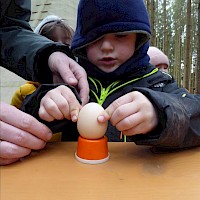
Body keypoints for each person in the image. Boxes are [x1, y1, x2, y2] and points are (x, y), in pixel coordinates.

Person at [11, 0, 200, 153]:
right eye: (95, 37)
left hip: (140, 184)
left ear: (138, 38)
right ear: (81, 41)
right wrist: (44, 103)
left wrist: (161, 113)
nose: (107, 47)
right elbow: (24, 119)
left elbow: (195, 115)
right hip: (75, 183)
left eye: (121, 35)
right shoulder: (71, 81)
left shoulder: (158, 84)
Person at [0, 0, 89, 165]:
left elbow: (8, 26)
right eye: (51, 40)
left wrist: (49, 54)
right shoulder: (25, 92)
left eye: (66, 44)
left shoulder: (84, 87)